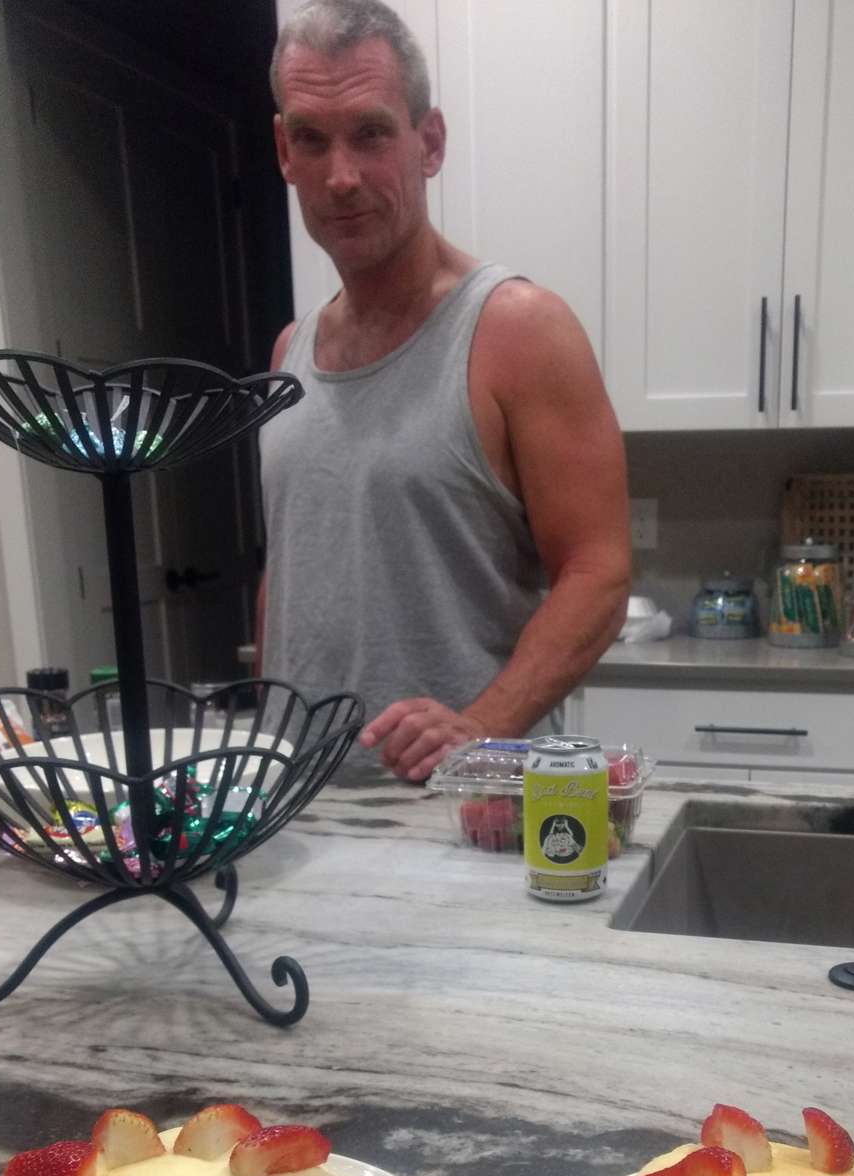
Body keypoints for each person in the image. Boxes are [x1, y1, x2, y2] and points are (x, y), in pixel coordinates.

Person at [257, 0, 631, 782]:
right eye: (312, 139)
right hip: (299, 806)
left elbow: (597, 573)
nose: (341, 177)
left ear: (428, 143)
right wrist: (265, 741)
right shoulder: (289, 353)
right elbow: (289, 570)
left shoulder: (519, 330)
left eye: (370, 133)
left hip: (466, 808)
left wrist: (480, 728)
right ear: (284, 152)